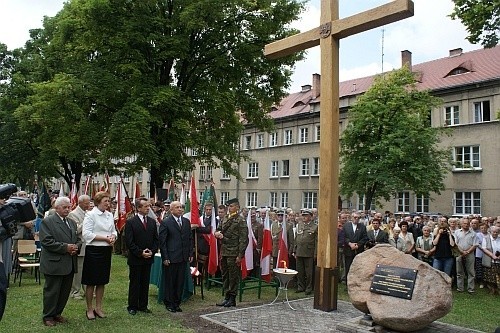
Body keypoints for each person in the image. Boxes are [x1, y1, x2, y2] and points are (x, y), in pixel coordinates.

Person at [39, 196, 81, 327]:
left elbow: (78, 239)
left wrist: (76, 247)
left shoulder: (72, 222)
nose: (67, 209)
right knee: (52, 291)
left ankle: (57, 313)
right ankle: (48, 316)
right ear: (56, 208)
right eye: (64, 207)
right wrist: (65, 248)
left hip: (69, 263)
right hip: (54, 263)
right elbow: (46, 241)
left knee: (64, 291)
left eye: (69, 207)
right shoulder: (48, 222)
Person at [82, 191, 117, 320]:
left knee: (102, 281)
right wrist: (104, 238)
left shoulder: (109, 215)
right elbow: (87, 234)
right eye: (105, 201)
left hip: (106, 251)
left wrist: (113, 236)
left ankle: (98, 307)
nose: (108, 204)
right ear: (98, 202)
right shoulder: (90, 215)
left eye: (109, 201)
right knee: (91, 281)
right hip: (93, 250)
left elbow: (113, 230)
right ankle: (89, 308)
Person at [125, 197, 158, 315]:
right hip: (136, 258)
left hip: (148, 258)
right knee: (135, 283)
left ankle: (143, 305)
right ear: (138, 208)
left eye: (149, 206)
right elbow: (129, 242)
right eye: (145, 206)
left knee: (145, 282)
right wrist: (140, 252)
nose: (148, 208)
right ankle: (132, 306)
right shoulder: (131, 222)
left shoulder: (152, 222)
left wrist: (152, 251)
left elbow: (156, 239)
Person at [159, 201, 193, 313]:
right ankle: (169, 302)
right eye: (177, 207)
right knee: (170, 281)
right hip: (171, 257)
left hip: (183, 257)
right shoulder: (166, 222)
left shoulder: (186, 222)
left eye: (181, 207)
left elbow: (189, 239)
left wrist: (190, 254)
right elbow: (163, 242)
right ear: (171, 210)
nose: (180, 209)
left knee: (180, 281)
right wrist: (165, 257)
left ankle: (177, 303)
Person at [214, 198, 248, 308]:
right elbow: (218, 229)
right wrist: (217, 233)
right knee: (225, 275)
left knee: (233, 276)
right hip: (224, 251)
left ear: (237, 207)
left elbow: (243, 239)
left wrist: (240, 255)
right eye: (229, 206)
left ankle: (232, 298)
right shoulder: (225, 218)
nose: (230, 208)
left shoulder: (240, 220)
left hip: (233, 252)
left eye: (232, 206)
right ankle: (227, 297)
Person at [68, 194, 91, 300]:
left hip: (89, 245)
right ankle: (75, 291)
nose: (88, 205)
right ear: (80, 203)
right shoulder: (73, 214)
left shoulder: (88, 213)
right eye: (86, 203)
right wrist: (86, 221)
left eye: (89, 203)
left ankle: (87, 290)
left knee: (87, 270)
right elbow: (76, 230)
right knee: (78, 271)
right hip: (80, 246)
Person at [293, 209, 318, 295]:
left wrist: (315, 253)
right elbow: (296, 238)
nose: (304, 217)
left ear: (311, 217)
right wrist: (294, 250)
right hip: (299, 251)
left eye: (306, 216)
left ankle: (309, 288)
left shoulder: (315, 227)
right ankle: (301, 286)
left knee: (309, 272)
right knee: (300, 270)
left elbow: (316, 241)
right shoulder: (299, 225)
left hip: (309, 252)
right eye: (303, 215)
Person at [455, 218, 478, 294]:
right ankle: (460, 288)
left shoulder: (473, 233)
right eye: (464, 223)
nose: (466, 225)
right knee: (459, 272)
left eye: (468, 223)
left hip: (470, 254)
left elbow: (475, 245)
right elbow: (455, 244)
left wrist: (467, 252)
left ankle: (471, 289)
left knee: (471, 272)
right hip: (459, 254)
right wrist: (462, 252)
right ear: (461, 224)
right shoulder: (457, 232)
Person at [343, 212, 367, 283]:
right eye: (355, 217)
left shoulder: (362, 226)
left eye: (358, 218)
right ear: (351, 217)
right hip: (348, 250)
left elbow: (365, 238)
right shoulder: (346, 226)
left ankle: (357, 283)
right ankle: (348, 283)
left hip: (358, 250)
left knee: (358, 268)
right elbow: (344, 237)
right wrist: (349, 243)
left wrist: (358, 245)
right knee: (348, 267)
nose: (356, 219)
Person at [481, 226, 500, 295]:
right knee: (490, 276)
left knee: (498, 275)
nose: (495, 233)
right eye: (493, 232)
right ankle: (492, 289)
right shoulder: (486, 238)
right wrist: (492, 255)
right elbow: (484, 248)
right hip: (490, 260)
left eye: (497, 232)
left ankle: (497, 289)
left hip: (498, 260)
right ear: (490, 232)